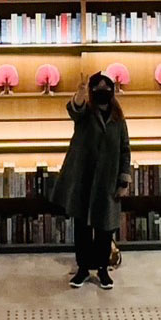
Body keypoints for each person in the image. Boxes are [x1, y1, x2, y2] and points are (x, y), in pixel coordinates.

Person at [51, 71, 131, 290]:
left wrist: (124, 181)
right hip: (83, 179)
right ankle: (83, 269)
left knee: (105, 228)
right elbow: (74, 110)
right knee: (82, 227)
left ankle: (103, 270)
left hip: (108, 180)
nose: (103, 92)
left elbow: (125, 150)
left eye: (107, 88)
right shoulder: (86, 113)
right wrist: (80, 92)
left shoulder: (118, 118)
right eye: (98, 89)